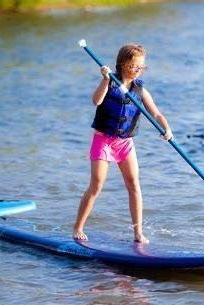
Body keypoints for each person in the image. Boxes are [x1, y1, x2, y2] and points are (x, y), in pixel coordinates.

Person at [73, 44, 173, 244]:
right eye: (134, 66)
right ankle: (78, 227)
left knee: (134, 185)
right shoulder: (110, 81)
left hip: (125, 143)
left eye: (141, 67)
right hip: (103, 140)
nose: (138, 70)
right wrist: (105, 79)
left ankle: (138, 233)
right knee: (96, 185)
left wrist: (166, 128)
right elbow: (96, 100)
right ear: (123, 64)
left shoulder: (140, 89)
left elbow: (156, 113)